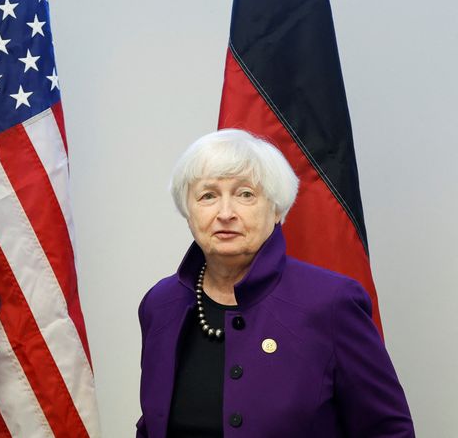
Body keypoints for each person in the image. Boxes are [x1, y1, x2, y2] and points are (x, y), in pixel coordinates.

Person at [136, 129, 414, 437]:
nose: (225, 213)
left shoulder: (331, 302)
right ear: (188, 211)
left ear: (278, 209)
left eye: (246, 194)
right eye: (208, 196)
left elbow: (387, 430)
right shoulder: (160, 304)